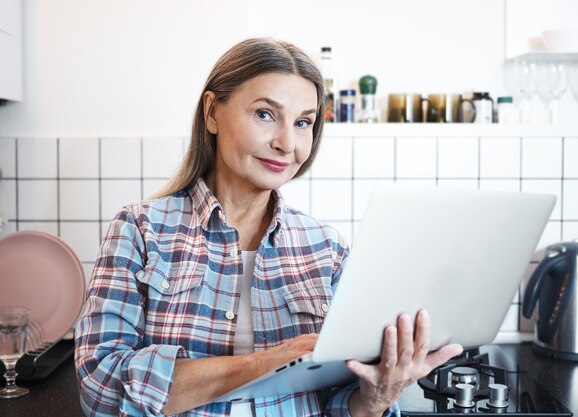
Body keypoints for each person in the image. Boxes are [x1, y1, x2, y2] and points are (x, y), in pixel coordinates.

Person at [74, 38, 463, 417]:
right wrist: (266, 364)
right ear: (212, 112)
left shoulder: (327, 249)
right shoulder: (140, 229)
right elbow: (99, 388)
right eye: (265, 114)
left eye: (303, 122)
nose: (286, 142)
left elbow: (342, 405)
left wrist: (376, 399)